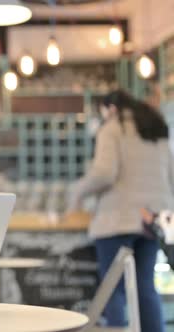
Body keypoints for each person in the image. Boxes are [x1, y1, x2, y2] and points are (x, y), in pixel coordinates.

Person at [67, 90, 172, 332]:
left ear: (110, 108)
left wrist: (78, 192)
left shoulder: (113, 128)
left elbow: (104, 173)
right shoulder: (155, 129)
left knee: (113, 287)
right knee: (145, 284)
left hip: (117, 217)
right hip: (153, 218)